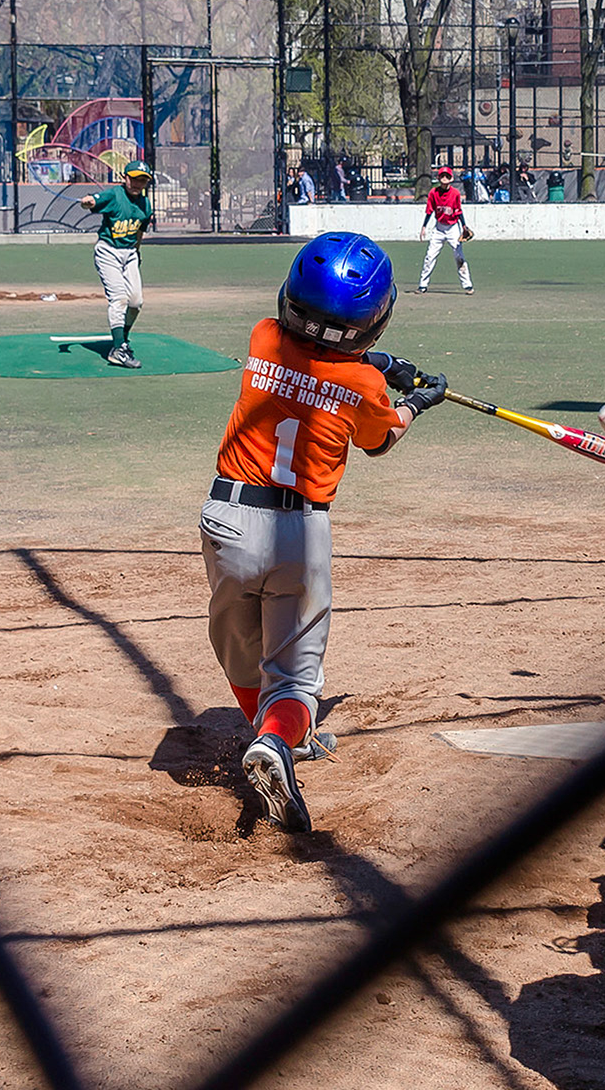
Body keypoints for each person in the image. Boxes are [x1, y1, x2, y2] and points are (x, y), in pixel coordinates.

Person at [203, 232, 447, 832]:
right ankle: (277, 739)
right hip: (298, 533)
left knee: (239, 647)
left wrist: (373, 366)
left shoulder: (263, 336)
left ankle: (274, 732)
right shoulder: (365, 387)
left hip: (227, 520)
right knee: (293, 678)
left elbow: (310, 358)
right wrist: (417, 402)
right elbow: (380, 440)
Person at [77, 159, 154, 368]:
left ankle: (122, 338)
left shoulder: (145, 204)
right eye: (134, 179)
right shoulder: (114, 195)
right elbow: (93, 201)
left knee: (136, 303)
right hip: (108, 251)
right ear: (125, 178)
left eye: (143, 180)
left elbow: (139, 232)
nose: (138, 184)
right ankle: (118, 350)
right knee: (119, 298)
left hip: (130, 254)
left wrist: (137, 253)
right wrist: (87, 202)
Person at [418, 164, 474, 294]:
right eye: (442, 176)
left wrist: (464, 226)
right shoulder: (433, 193)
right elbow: (429, 211)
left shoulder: (455, 193)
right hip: (439, 228)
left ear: (451, 178)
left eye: (447, 176)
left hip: (453, 228)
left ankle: (467, 285)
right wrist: (424, 226)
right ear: (438, 178)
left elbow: (458, 211)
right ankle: (422, 285)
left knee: (459, 256)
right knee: (430, 256)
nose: (444, 178)